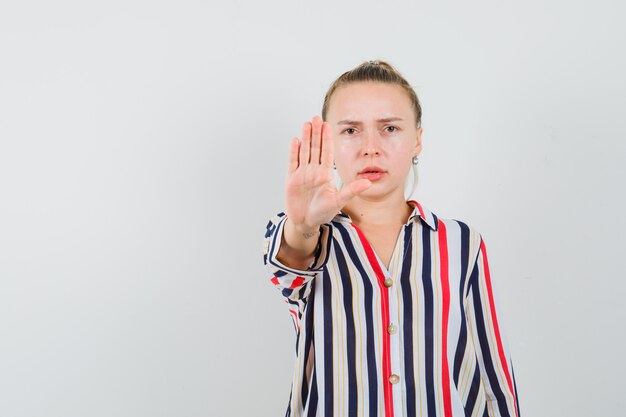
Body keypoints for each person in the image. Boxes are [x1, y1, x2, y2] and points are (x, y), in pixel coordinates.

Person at [262, 60, 520, 417]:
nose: (371, 147)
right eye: (351, 131)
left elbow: (494, 380)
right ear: (329, 143)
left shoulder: (462, 243)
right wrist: (303, 225)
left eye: (389, 128)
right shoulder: (307, 235)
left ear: (417, 139)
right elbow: (289, 262)